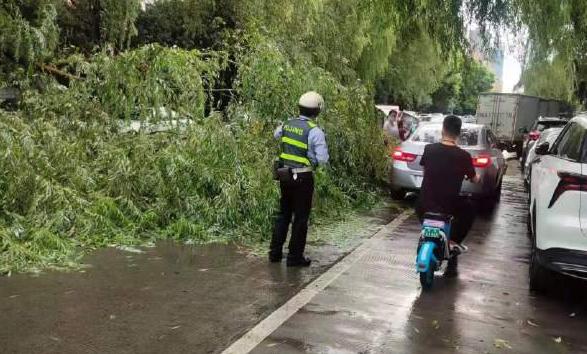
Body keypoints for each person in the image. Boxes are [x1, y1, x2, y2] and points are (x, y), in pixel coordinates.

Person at [269, 91, 329, 267]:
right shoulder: (315, 131)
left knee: (283, 214)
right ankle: (295, 257)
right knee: (300, 218)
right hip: (303, 178)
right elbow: (323, 159)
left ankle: (275, 253)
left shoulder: (286, 125)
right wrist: (312, 159)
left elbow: (276, 135)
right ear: (316, 111)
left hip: (285, 175)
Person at [416, 115, 480, 268]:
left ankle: (431, 235)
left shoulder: (429, 149)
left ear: (442, 129)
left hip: (424, 204)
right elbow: (475, 179)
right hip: (449, 206)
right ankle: (453, 241)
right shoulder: (464, 156)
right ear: (458, 133)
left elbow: (425, 173)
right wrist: (474, 177)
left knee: (418, 204)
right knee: (469, 210)